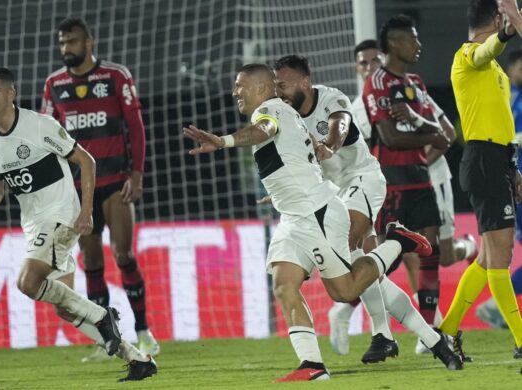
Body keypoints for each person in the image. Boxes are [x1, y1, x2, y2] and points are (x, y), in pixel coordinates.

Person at [184, 63, 461, 381]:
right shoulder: (288, 113)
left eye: (239, 85)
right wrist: (279, 194)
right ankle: (314, 365)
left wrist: (223, 141)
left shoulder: (272, 109)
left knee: (345, 289)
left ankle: (398, 244)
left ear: (262, 89)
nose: (234, 92)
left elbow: (270, 129)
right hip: (297, 214)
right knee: (284, 283)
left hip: (328, 204)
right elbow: (294, 162)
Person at [274, 54, 464, 368]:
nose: (277, 90)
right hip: (329, 193)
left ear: (304, 82)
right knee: (359, 271)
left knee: (347, 247)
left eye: (282, 84)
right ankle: (417, 335)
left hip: (362, 179)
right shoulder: (286, 117)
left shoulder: (330, 98)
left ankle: (397, 257)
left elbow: (340, 123)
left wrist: (330, 145)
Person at [0, 67, 156, 382]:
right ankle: (138, 359)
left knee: (27, 282)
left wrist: (85, 211)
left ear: (11, 94)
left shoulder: (40, 124)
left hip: (62, 212)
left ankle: (103, 315)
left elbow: (86, 160)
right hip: (33, 222)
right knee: (66, 308)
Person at [40, 17, 159, 361]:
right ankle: (109, 340)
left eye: (73, 42)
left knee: (123, 255)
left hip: (115, 182)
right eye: (62, 43)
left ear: (90, 42)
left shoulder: (115, 76)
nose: (67, 49)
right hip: (78, 190)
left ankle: (143, 331)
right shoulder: (54, 84)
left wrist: (136, 174)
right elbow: (48, 136)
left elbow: (135, 126)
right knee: (91, 262)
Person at [437, 0, 522, 362]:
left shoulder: (495, 71)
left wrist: (513, 164)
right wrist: (508, 29)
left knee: (489, 259)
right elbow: (486, 48)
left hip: (498, 160)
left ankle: (447, 331)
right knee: (501, 258)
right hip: (483, 160)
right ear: (498, 18)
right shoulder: (467, 55)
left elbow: (500, 119)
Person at [363, 15, 450, 336]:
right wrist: (424, 129)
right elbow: (389, 138)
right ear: (395, 44)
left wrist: (415, 120)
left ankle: (428, 330)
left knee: (432, 255)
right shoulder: (377, 84)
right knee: (389, 261)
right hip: (391, 182)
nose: (418, 44)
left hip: (421, 180)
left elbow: (443, 136)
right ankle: (351, 316)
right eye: (412, 39)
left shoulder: (416, 84)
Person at [476, 49, 522, 329]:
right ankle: (495, 306)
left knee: (491, 255)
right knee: (492, 255)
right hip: (516, 186)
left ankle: (498, 308)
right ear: (512, 70)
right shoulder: (511, 101)